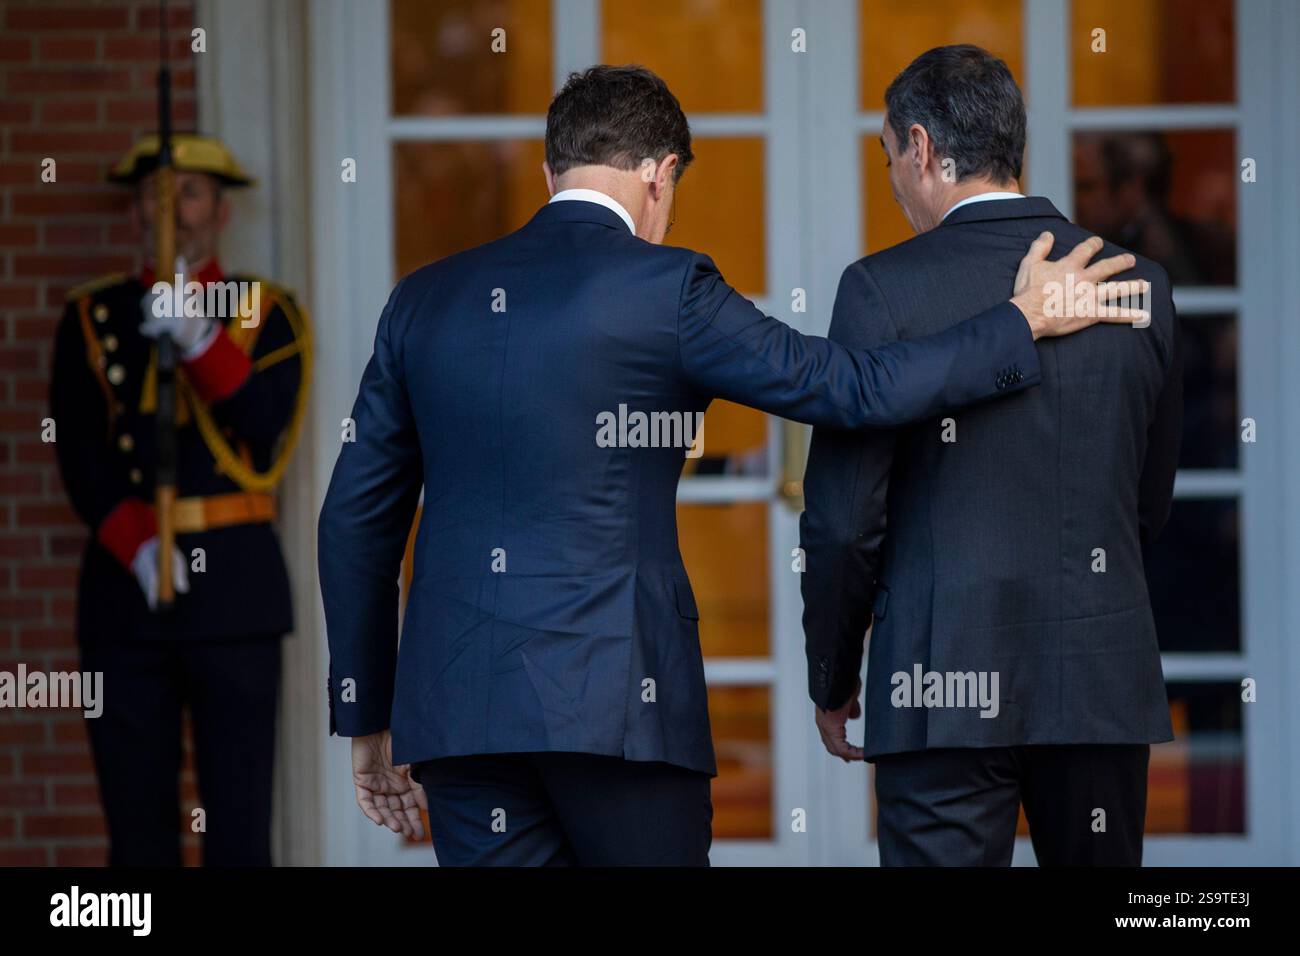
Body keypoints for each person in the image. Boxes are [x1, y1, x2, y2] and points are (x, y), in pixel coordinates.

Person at [318, 64, 1145, 867]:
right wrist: (1017, 322)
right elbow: (851, 387)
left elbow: (354, 518)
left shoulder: (423, 300)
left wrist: (366, 713)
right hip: (621, 708)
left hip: (463, 720)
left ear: (550, 170)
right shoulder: (668, 288)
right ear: (660, 173)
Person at [800, 45, 1181, 866]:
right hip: (1097, 681)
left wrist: (832, 674)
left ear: (923, 149)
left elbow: (842, 522)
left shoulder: (879, 290)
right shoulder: (1137, 285)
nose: (895, 180)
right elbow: (1147, 505)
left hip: (939, 689)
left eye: (891, 157)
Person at [49, 133, 311, 865]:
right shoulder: (93, 316)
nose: (171, 209)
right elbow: (80, 452)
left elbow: (264, 428)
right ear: (134, 211)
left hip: (234, 591)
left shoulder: (264, 311)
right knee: (136, 830)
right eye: (154, 194)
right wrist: (137, 545)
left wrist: (199, 339)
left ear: (222, 212)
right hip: (125, 593)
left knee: (238, 823)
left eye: (189, 192)